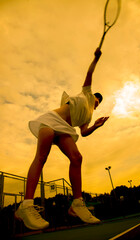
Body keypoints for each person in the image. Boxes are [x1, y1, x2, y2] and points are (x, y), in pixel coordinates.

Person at [15, 48, 109, 230]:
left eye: (98, 104)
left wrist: (96, 126)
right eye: (97, 100)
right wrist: (96, 59)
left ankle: (76, 204)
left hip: (65, 129)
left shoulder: (88, 116)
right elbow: (90, 72)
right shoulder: (86, 94)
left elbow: (83, 132)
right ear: (94, 96)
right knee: (41, 157)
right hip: (52, 120)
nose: (96, 103)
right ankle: (26, 205)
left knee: (77, 158)